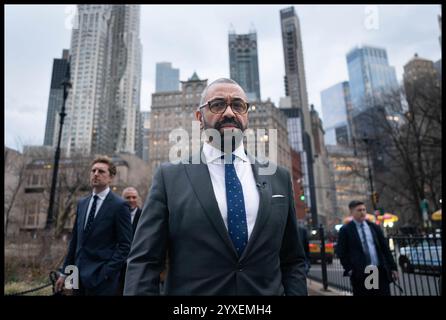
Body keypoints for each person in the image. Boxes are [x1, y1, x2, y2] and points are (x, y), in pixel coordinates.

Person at [124, 78, 307, 295]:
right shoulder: (169, 177)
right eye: (218, 104)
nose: (229, 112)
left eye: (238, 105)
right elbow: (145, 261)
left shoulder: (279, 177)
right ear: (199, 117)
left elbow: (293, 260)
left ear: (246, 115)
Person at [55, 156, 133, 296]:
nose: (96, 174)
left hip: (102, 281)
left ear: (111, 178)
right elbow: (75, 242)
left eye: (101, 171)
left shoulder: (119, 206)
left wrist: (107, 272)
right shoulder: (82, 203)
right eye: (93, 170)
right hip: (78, 279)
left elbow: (125, 245)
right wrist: (64, 273)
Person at [337, 200, 398, 296]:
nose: (362, 212)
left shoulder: (374, 227)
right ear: (352, 212)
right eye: (359, 210)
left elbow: (385, 248)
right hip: (361, 273)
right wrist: (350, 269)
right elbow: (341, 251)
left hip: (379, 271)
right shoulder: (346, 230)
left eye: (364, 210)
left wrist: (393, 268)